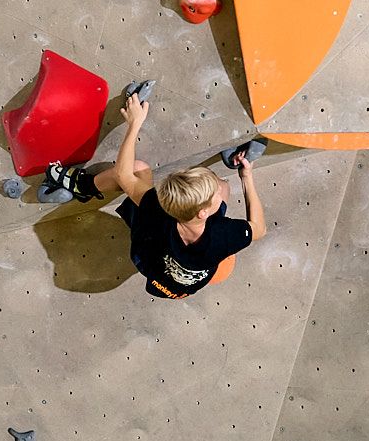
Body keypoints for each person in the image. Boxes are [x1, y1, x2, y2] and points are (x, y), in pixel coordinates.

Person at [48, 91, 266, 299]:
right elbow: (259, 229)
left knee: (138, 168)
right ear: (203, 213)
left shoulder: (157, 209)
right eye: (213, 196)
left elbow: (124, 174)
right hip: (176, 285)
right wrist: (246, 177)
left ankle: (83, 186)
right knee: (225, 186)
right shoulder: (225, 235)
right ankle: (82, 188)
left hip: (150, 258)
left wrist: (134, 124)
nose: (217, 193)